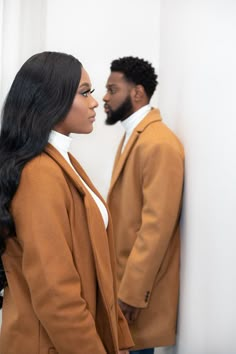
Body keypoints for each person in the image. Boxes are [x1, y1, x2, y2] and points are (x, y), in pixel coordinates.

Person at [0, 51, 134, 354]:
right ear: (51, 99)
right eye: (84, 92)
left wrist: (119, 340)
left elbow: (99, 273)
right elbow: (56, 295)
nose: (95, 102)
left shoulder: (61, 160)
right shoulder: (39, 174)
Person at [103, 56, 184, 354]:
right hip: (122, 288)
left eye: (112, 89)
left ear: (137, 93)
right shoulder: (135, 135)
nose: (104, 97)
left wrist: (132, 294)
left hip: (136, 298)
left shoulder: (158, 143)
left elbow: (156, 226)